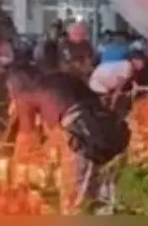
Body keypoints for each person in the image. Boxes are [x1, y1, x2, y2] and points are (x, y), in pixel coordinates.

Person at [7, 65, 129, 215]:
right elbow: (60, 130)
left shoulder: (26, 97)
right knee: (102, 202)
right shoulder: (58, 82)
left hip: (84, 138)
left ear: (15, 88)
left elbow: (26, 139)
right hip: (111, 133)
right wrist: (45, 149)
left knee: (74, 205)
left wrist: (14, 170)